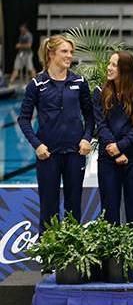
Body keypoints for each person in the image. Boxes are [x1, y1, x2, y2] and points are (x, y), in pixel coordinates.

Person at [18, 35, 93, 232]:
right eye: (64, 51)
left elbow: (91, 116)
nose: (70, 56)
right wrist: (37, 144)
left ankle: (72, 252)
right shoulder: (37, 84)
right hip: (47, 155)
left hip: (75, 154)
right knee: (48, 207)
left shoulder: (79, 81)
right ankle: (48, 256)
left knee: (73, 206)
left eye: (71, 52)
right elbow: (23, 119)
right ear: (51, 54)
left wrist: (86, 138)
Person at [92, 51, 133, 232]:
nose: (109, 68)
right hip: (108, 159)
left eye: (114, 65)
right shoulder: (99, 92)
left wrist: (121, 146)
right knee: (109, 213)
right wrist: (115, 151)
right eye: (109, 63)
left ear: (125, 69)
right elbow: (100, 125)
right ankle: (109, 259)